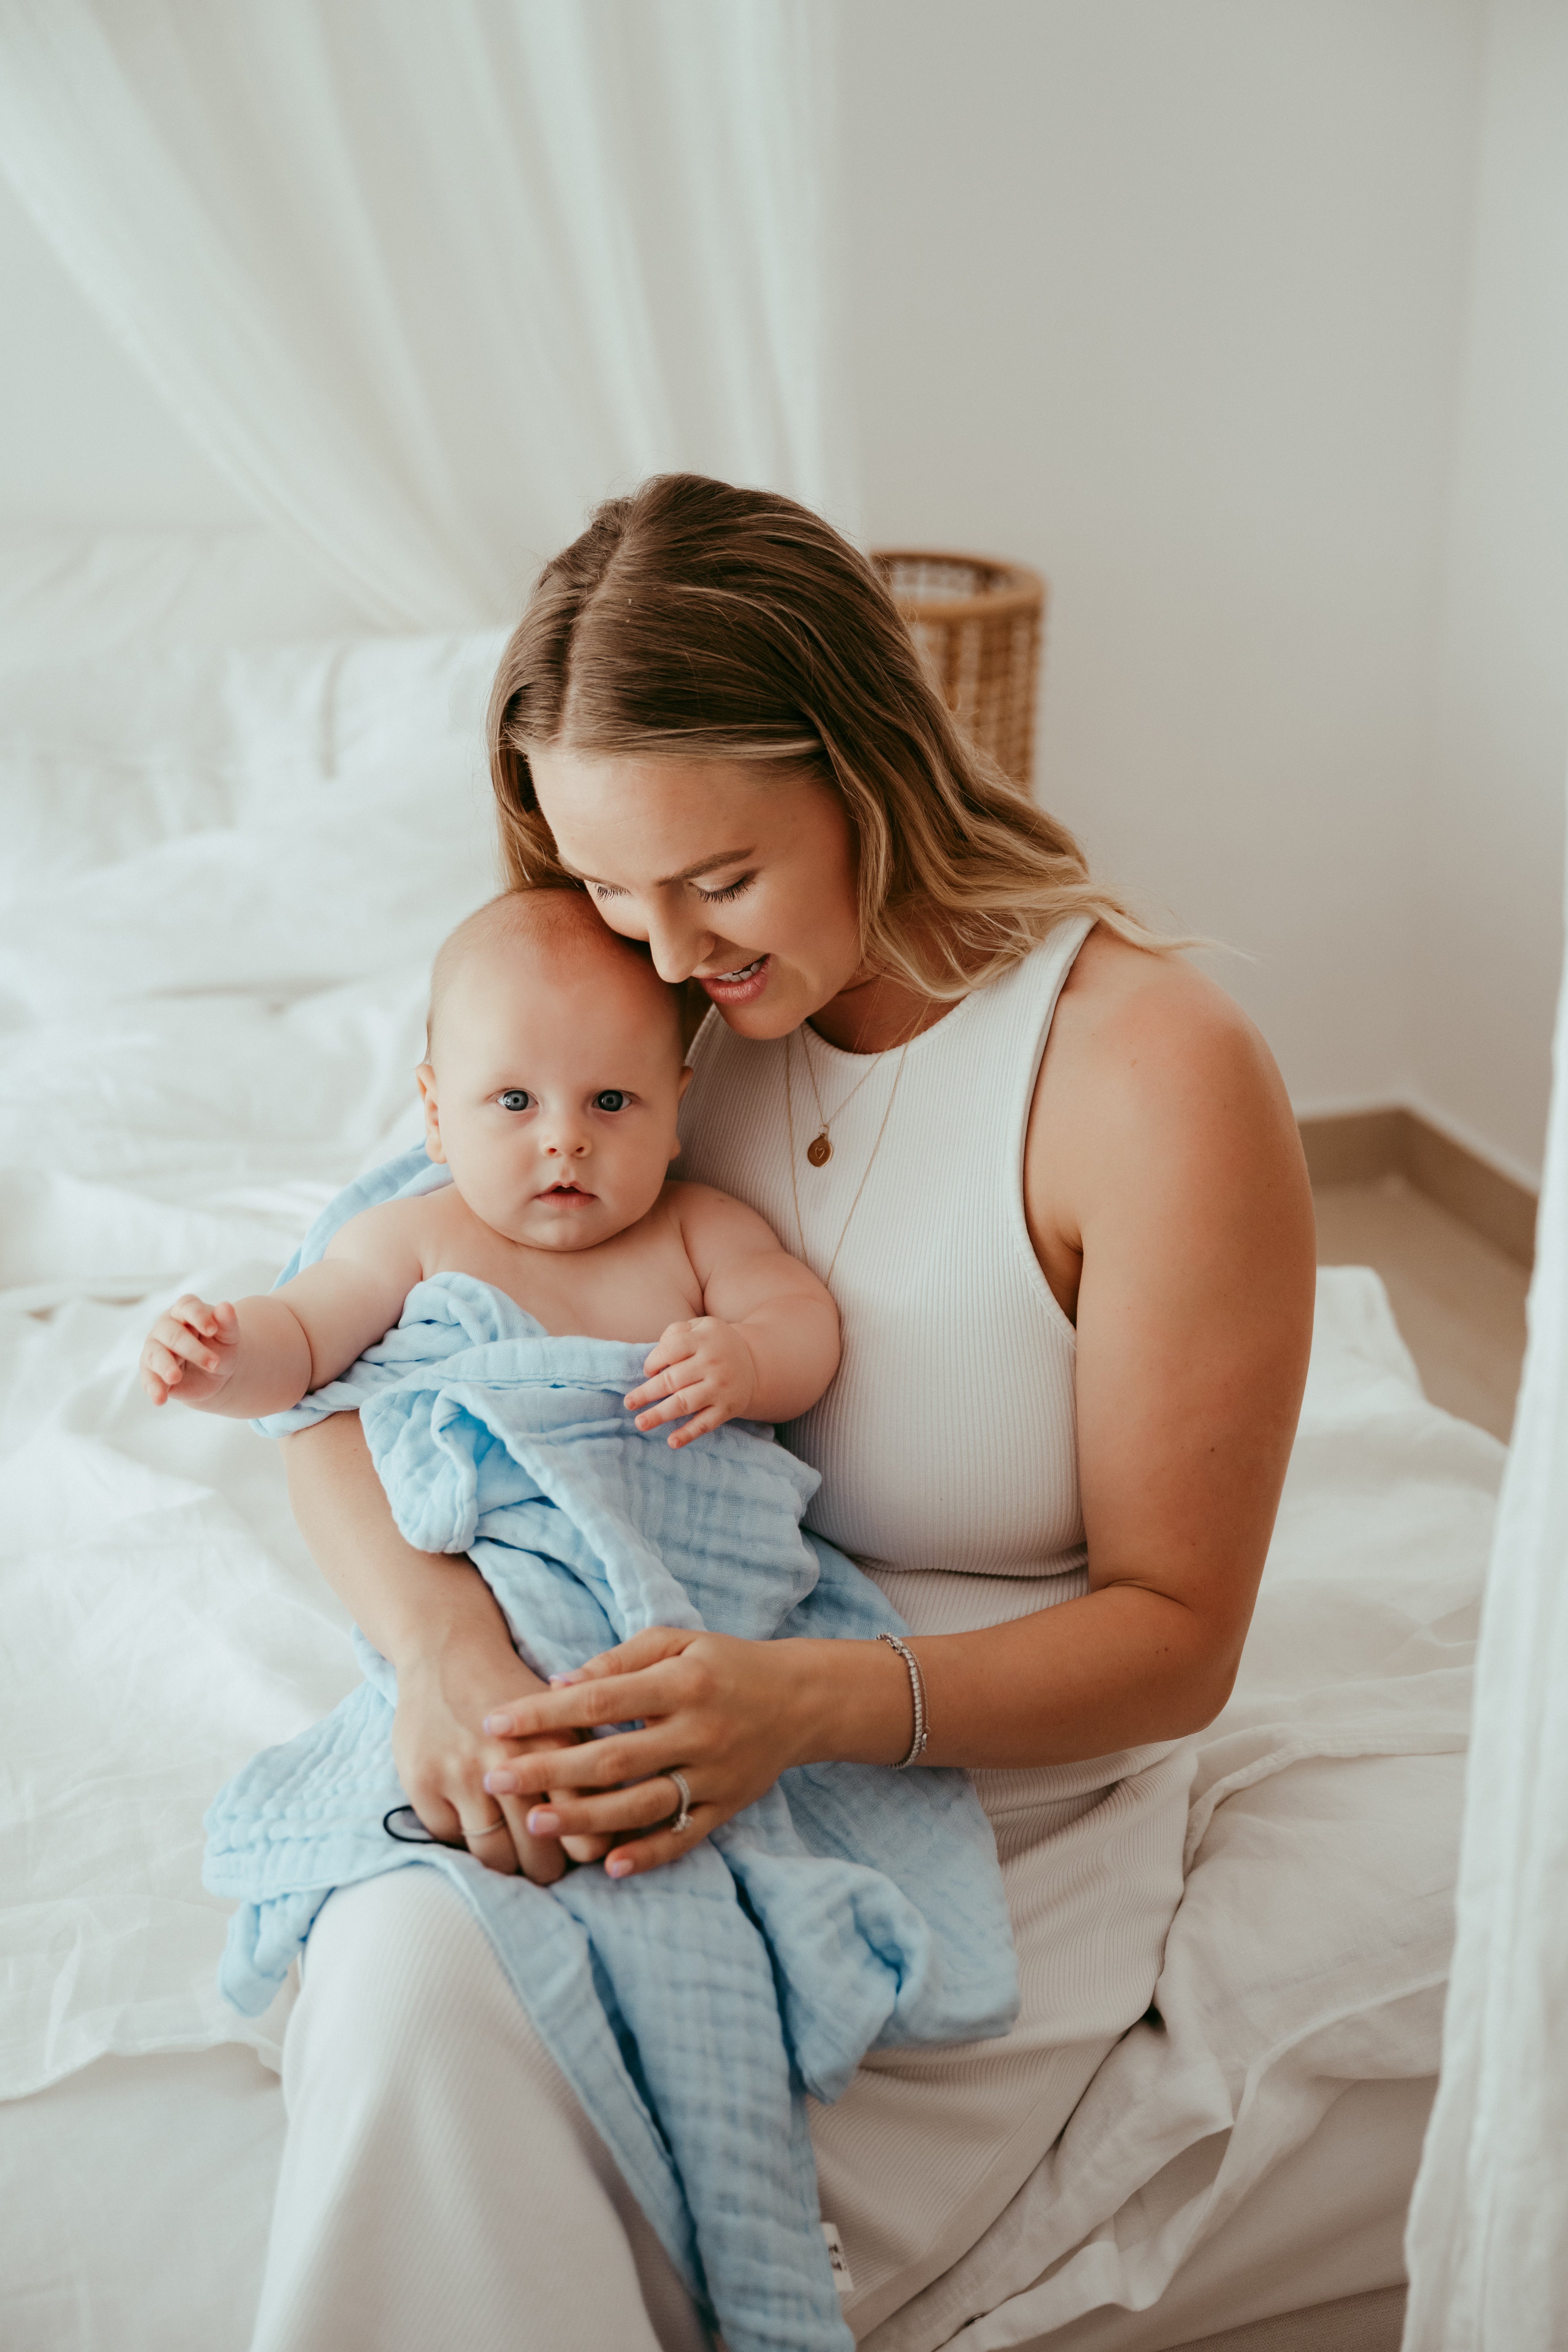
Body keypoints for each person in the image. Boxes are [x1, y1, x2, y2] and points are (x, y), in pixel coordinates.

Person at [249, 474, 1315, 2352]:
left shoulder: (1145, 1073)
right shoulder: (631, 1026)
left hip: (970, 1796)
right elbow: (352, 1373)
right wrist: (441, 1655)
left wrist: (794, 1708)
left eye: (716, 879)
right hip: (634, 1713)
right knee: (410, 1963)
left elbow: (1178, 1642)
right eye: (601, 885)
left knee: (533, 2061)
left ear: (872, 765)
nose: (659, 957)